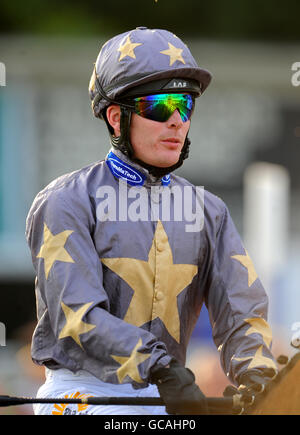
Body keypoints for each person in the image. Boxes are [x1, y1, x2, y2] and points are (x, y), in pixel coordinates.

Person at [26, 27, 277, 416]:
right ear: (116, 117)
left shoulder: (211, 211)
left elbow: (242, 313)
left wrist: (260, 377)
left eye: (187, 105)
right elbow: (78, 316)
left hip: (172, 396)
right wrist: (160, 366)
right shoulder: (65, 201)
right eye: (161, 106)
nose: (177, 120)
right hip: (83, 395)